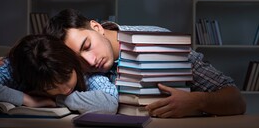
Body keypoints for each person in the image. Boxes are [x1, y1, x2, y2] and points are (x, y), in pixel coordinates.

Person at [42, 8, 246, 118]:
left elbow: (236, 100)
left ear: (96, 27)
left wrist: (198, 101)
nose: (90, 61)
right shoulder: (76, 72)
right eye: (78, 61)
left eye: (86, 46)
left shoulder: (157, 41)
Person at [0, 34, 118, 114]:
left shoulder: (84, 68)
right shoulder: (14, 69)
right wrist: (29, 100)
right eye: (50, 87)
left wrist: (58, 99)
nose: (65, 89)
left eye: (67, 77)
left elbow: (109, 103)